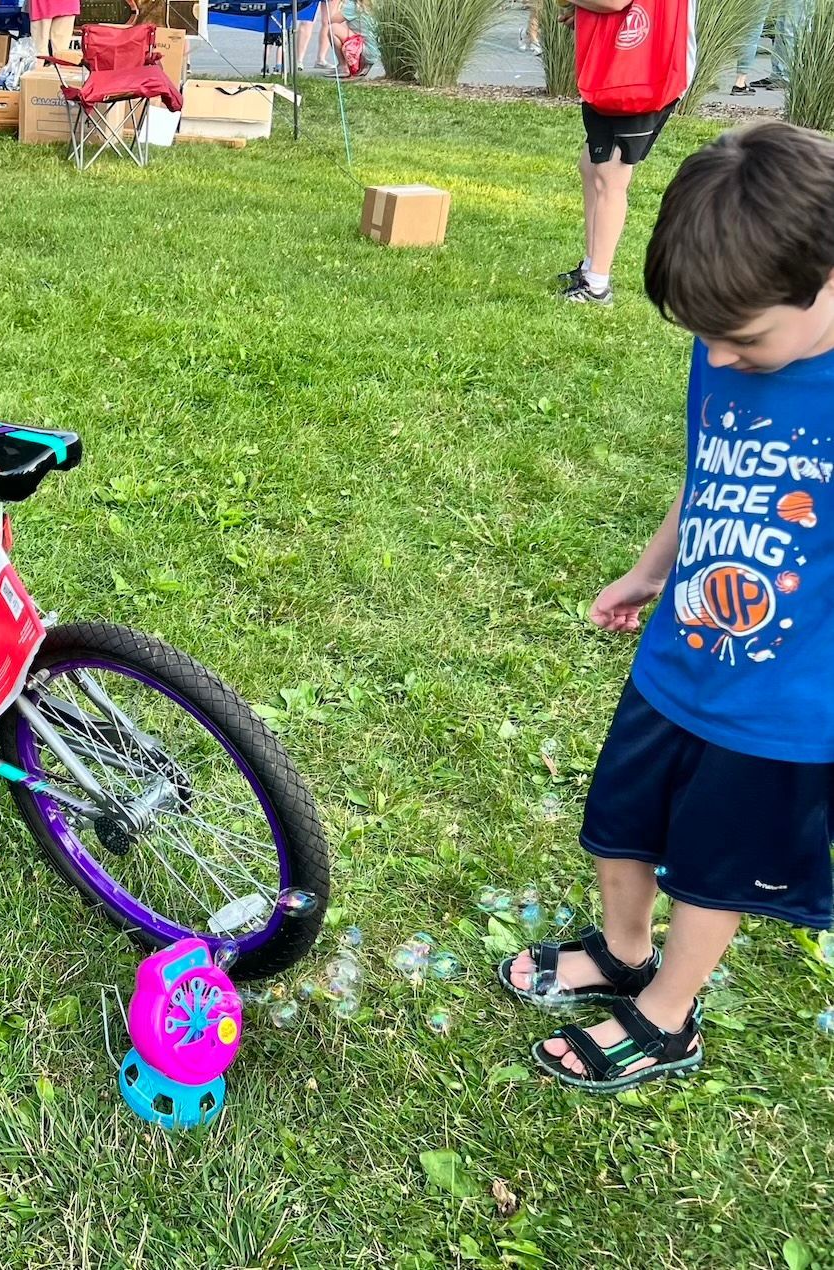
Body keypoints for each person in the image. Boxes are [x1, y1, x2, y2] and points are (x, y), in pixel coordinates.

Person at [502, 122, 834, 1094]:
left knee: (711, 871)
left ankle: (666, 1013)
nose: (719, 361)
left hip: (782, 710)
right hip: (678, 657)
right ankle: (619, 949)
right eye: (703, 338)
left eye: (739, 340)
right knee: (619, 825)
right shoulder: (729, 343)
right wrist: (650, 571)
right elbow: (706, 479)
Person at [557, 0, 691, 306]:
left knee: (610, 173)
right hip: (625, 65)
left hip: (645, 72)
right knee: (592, 164)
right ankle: (591, 268)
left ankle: (597, 286)